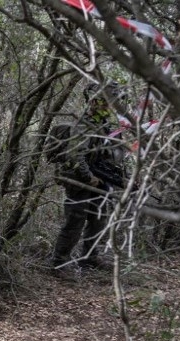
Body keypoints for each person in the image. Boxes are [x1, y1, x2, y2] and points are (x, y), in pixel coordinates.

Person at [51, 83, 125, 280]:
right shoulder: (83, 124)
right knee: (75, 220)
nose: (110, 106)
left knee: (98, 218)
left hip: (98, 178)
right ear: (95, 102)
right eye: (106, 102)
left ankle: (89, 257)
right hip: (79, 179)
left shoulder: (104, 125)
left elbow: (108, 152)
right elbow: (76, 155)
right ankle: (59, 263)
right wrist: (88, 177)